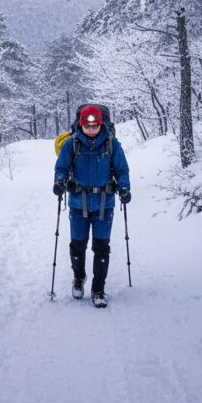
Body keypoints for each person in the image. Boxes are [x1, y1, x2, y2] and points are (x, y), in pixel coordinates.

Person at [53, 104, 131, 308]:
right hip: (78, 203)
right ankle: (79, 278)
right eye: (87, 127)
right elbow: (61, 167)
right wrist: (60, 181)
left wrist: (124, 188)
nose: (91, 130)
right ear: (81, 125)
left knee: (101, 247)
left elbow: (122, 170)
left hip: (105, 204)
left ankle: (98, 289)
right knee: (78, 245)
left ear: (100, 124)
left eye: (95, 126)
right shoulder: (72, 144)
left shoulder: (112, 144)